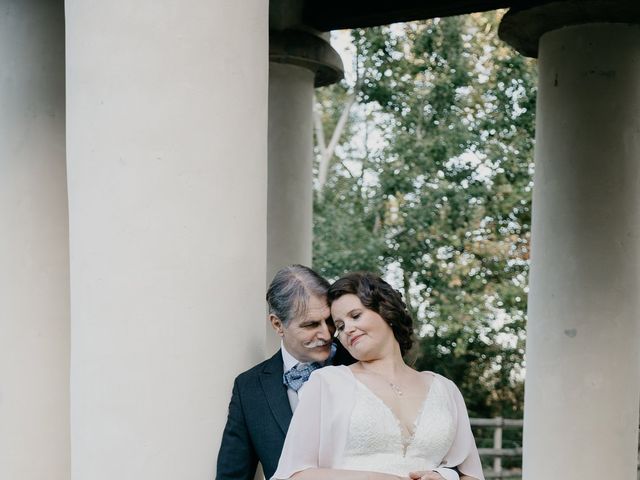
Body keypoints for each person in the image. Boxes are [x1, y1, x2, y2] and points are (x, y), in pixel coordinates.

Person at [272, 272, 484, 480]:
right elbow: (293, 474)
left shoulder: (445, 389)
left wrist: (443, 478)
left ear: (386, 311)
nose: (348, 330)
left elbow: (472, 475)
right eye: (340, 326)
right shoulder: (326, 383)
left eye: (355, 316)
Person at [216, 265, 354, 480]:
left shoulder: (361, 364)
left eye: (329, 321)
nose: (326, 334)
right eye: (311, 325)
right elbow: (232, 476)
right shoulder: (249, 388)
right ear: (278, 324)